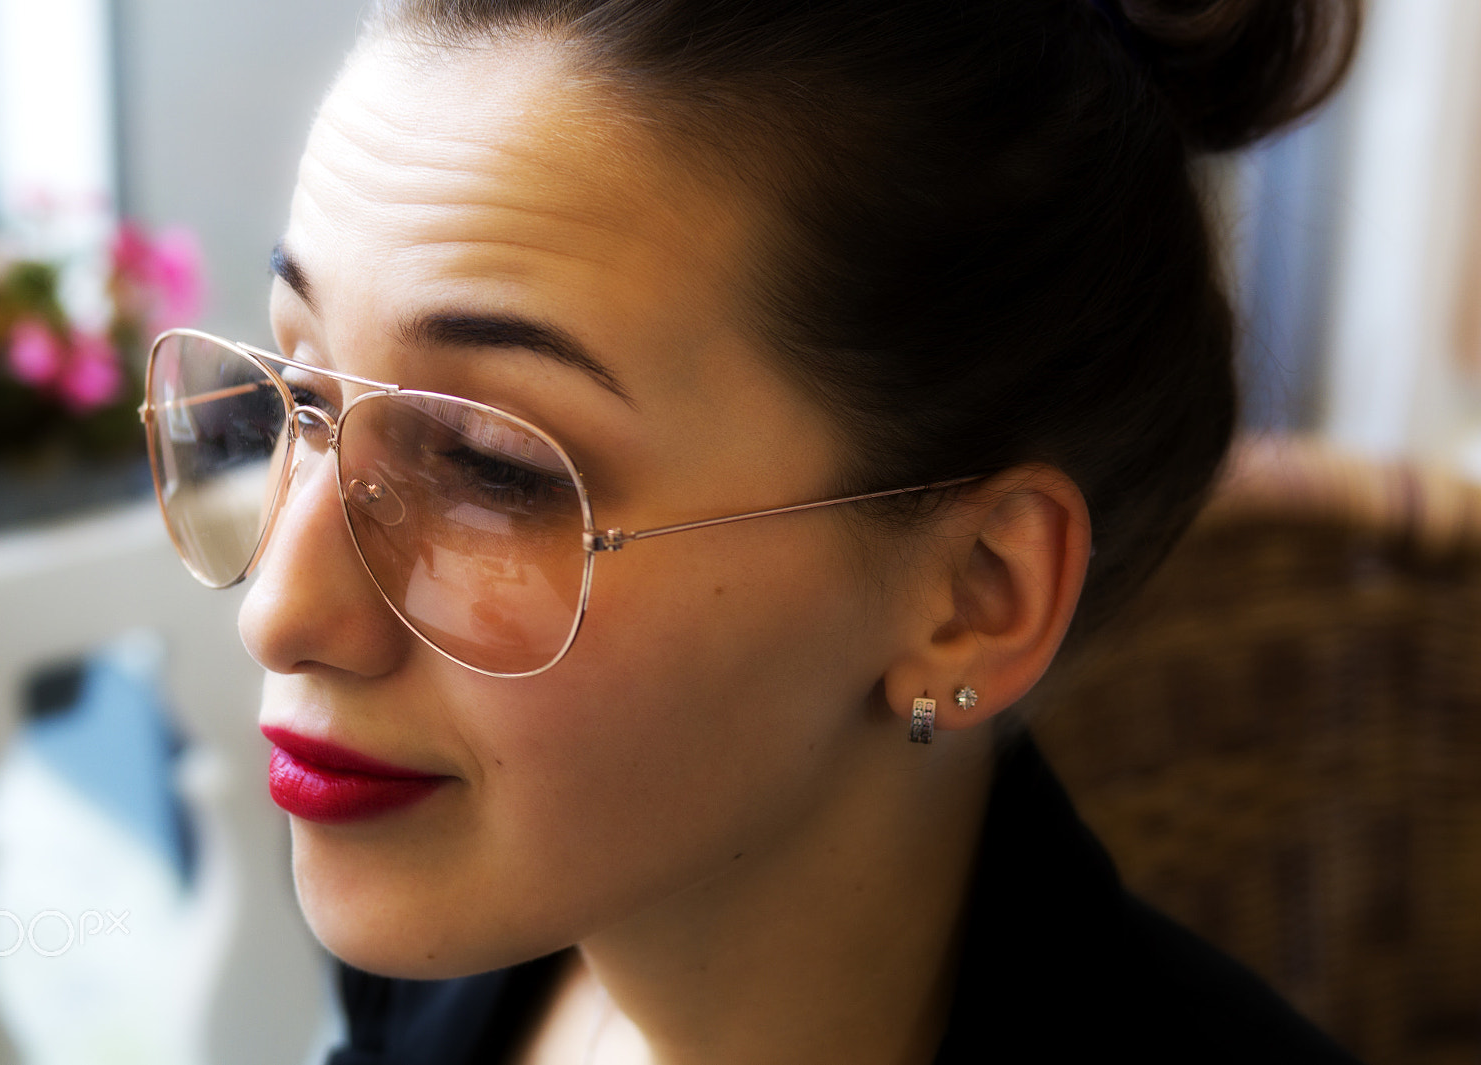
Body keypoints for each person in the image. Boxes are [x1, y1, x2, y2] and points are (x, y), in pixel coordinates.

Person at [138, 0, 1364, 1061]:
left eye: (490, 464)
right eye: (302, 395)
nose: (281, 610)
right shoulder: (447, 961)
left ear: (975, 595)